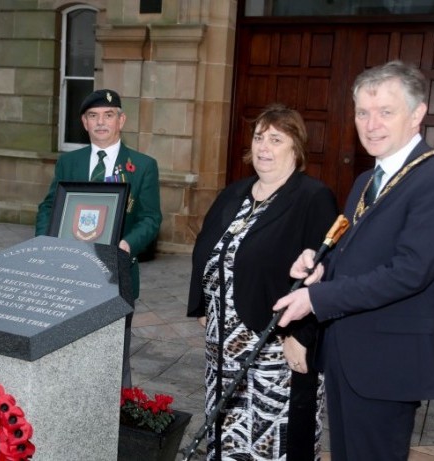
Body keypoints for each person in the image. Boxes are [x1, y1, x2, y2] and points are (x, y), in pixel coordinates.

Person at [273, 61, 434, 460]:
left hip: (391, 361)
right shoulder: (368, 179)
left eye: (386, 111)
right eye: (363, 112)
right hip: (350, 351)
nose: (371, 123)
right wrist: (321, 264)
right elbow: (359, 251)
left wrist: (317, 300)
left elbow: (411, 272)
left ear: (417, 114)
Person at [187, 104, 338, 460]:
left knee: (273, 439)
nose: (263, 147)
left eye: (276, 139)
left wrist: (302, 336)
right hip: (223, 344)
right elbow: (207, 246)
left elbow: (323, 274)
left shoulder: (312, 198)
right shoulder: (234, 193)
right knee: (227, 435)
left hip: (274, 344)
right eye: (258, 138)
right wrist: (203, 303)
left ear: (295, 148)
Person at [35, 89, 162, 387]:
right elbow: (48, 207)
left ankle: (115, 419)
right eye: (93, 116)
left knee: (114, 358)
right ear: (84, 122)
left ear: (121, 120)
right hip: (69, 274)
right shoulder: (70, 162)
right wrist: (45, 244)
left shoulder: (142, 166)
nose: (101, 122)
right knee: (67, 351)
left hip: (116, 273)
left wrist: (126, 245)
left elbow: (151, 218)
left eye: (108, 115)